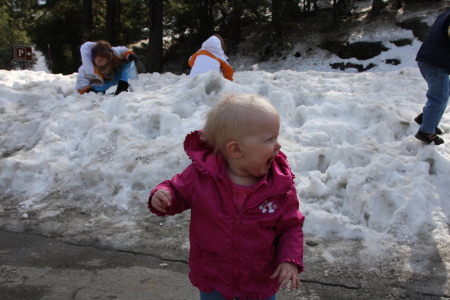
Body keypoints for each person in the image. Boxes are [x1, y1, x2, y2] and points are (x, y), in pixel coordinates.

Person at [148, 94, 304, 300]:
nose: (278, 145)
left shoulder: (279, 185)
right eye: (270, 139)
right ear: (236, 149)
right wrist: (164, 195)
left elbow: (290, 226)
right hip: (214, 276)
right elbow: (176, 190)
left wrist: (289, 258)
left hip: (259, 279)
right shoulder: (202, 175)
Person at [414, 9, 450, 145]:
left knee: (444, 91)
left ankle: (427, 118)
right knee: (440, 97)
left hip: (430, 59)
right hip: (436, 63)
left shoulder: (446, 13)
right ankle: (426, 131)